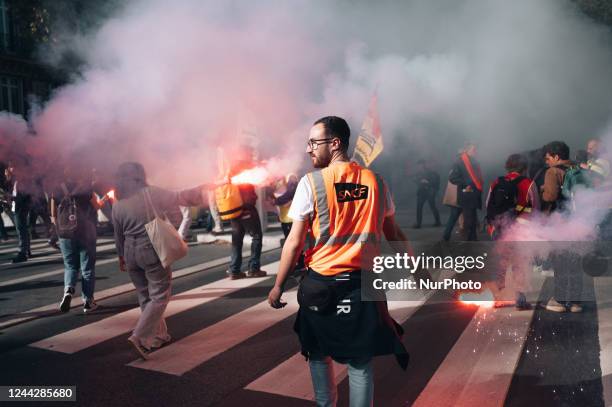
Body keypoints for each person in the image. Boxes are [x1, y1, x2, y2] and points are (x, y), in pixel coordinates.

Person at [267, 116, 409, 407]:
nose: (308, 150)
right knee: (360, 362)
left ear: (335, 143)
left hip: (322, 285)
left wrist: (278, 286)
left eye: (313, 143)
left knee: (318, 353)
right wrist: (415, 266)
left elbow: (294, 242)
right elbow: (394, 232)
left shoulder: (312, 183)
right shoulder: (376, 181)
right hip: (362, 285)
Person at [111, 162, 214, 358]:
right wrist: (202, 188)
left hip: (130, 251)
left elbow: (118, 234)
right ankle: (139, 336)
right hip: (151, 247)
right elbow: (179, 197)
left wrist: (121, 256)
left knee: (145, 296)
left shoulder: (117, 202)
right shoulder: (149, 193)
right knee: (159, 295)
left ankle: (158, 336)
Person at [53, 164, 109, 314]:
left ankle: (68, 291)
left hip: (65, 233)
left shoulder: (57, 188)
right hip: (85, 231)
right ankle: (88, 302)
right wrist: (104, 199)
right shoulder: (85, 188)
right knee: (87, 268)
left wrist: (59, 228)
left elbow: (53, 213)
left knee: (70, 266)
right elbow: (96, 207)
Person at [485, 154, 538, 309]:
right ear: (524, 167)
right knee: (519, 263)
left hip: (500, 228)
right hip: (520, 229)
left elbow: (488, 204)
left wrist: (493, 226)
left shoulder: (497, 182)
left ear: (508, 166)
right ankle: (520, 299)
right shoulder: (528, 183)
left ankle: (498, 297)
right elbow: (535, 208)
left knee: (500, 263)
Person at [540, 141, 583, 313]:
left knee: (560, 262)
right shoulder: (578, 169)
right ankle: (575, 302)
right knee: (575, 261)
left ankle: (559, 300)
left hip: (561, 223)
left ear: (556, 157)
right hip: (580, 222)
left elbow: (550, 197)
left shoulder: (553, 171)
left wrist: (543, 191)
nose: (547, 161)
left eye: (548, 158)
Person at [227, 150, 267, 280]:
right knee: (256, 236)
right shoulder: (245, 169)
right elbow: (248, 193)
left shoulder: (231, 169)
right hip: (246, 209)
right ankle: (253, 268)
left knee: (237, 239)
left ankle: (234, 270)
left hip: (233, 210)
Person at [445, 142, 483, 241]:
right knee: (468, 219)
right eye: (473, 150)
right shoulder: (459, 162)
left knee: (472, 218)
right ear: (467, 150)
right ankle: (470, 240)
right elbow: (452, 178)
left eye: (476, 150)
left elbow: (477, 178)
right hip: (465, 194)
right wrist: (466, 184)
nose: (475, 152)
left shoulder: (474, 161)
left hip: (473, 194)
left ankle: (472, 239)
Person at [413, 159, 441, 228]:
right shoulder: (418, 172)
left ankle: (438, 221)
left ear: (424, 165)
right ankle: (418, 224)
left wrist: (427, 182)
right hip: (422, 192)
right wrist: (418, 180)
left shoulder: (431, 172)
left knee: (432, 207)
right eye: (418, 165)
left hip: (429, 192)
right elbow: (416, 180)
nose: (419, 167)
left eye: (421, 165)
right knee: (419, 208)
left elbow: (435, 181)